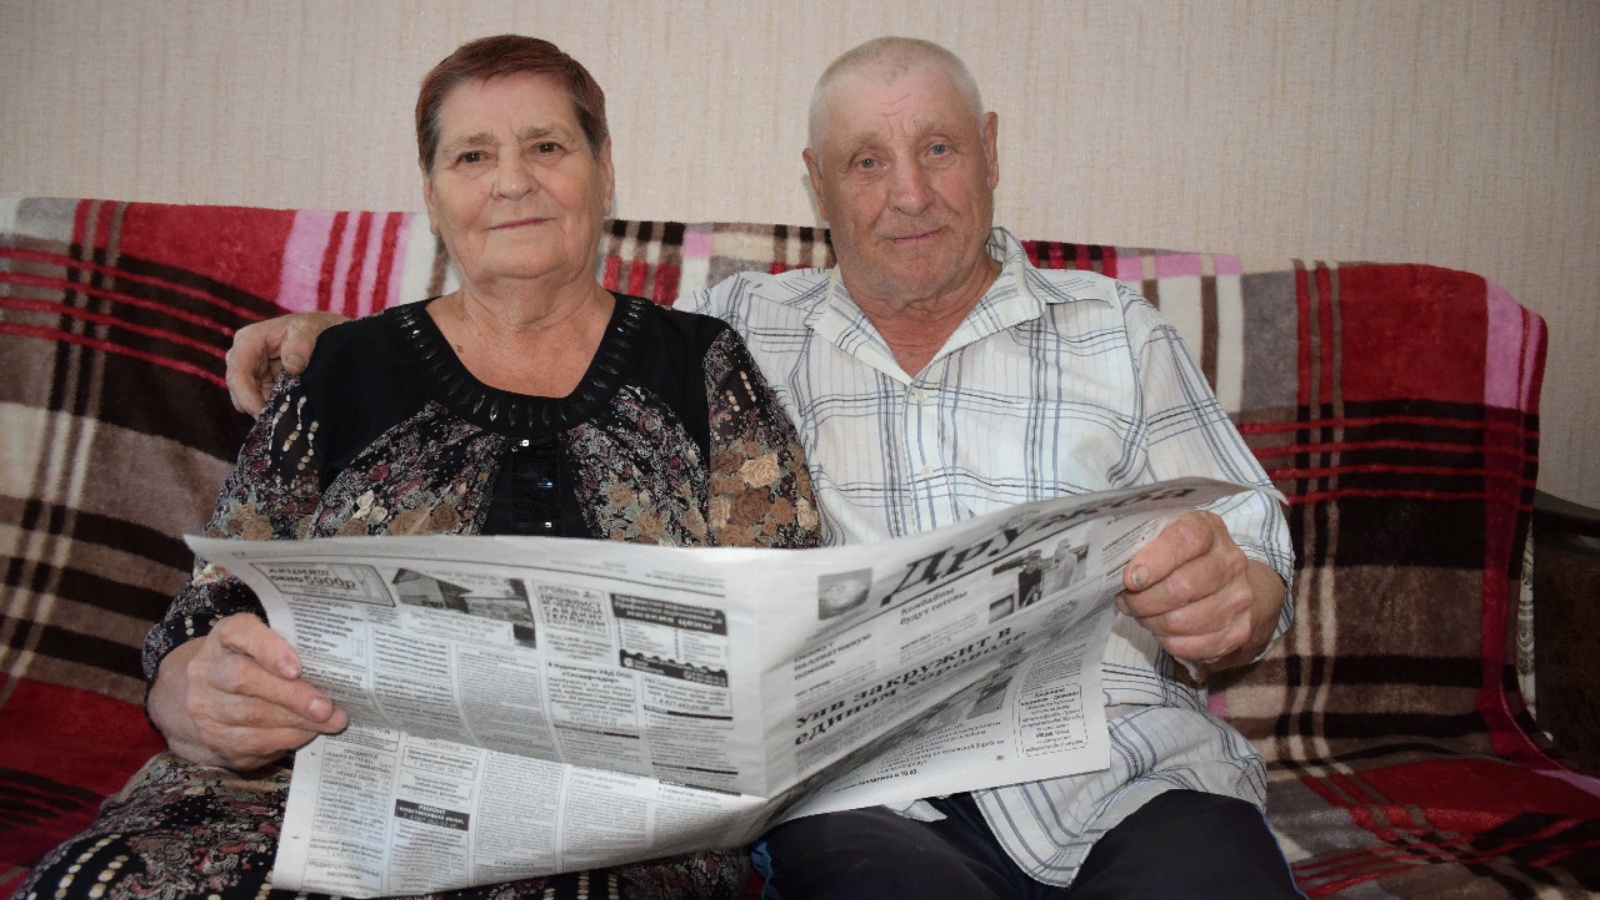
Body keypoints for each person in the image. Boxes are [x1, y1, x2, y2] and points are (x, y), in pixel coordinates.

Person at [225, 36, 1303, 900]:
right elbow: (538, 314)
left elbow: (1252, 548)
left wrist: (1234, 596)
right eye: (866, 162)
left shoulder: (1115, 328)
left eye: (937, 148)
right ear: (816, 184)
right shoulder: (735, 332)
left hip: (1126, 770)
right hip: (873, 796)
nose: (908, 194)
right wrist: (344, 346)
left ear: (988, 149)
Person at [13, 35, 818, 900]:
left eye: (546, 146)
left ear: (604, 169)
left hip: (612, 827)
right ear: (432, 195)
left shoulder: (703, 364)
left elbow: (791, 625)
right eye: (473, 156)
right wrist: (194, 701)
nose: (513, 180)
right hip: (310, 799)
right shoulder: (337, 368)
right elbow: (210, 616)